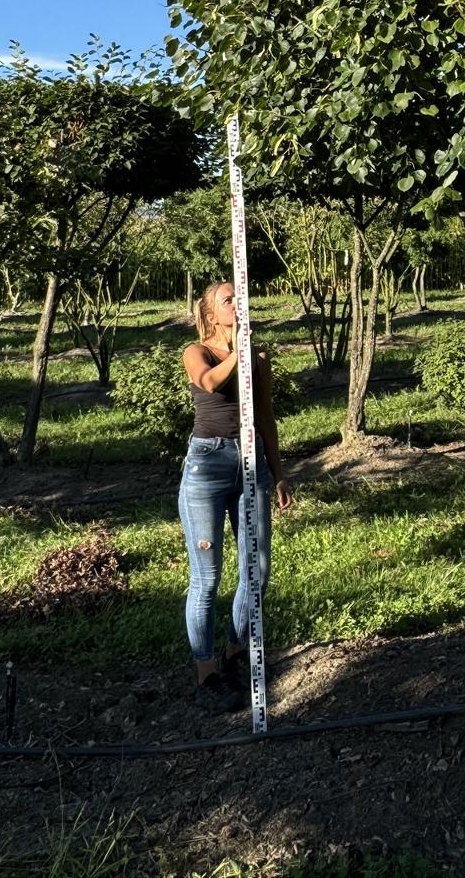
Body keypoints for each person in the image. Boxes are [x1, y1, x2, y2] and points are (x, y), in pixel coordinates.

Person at [179, 279, 293, 713]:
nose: (238, 303)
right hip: (207, 466)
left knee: (257, 570)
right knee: (207, 578)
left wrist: (279, 474)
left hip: (252, 464)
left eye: (240, 297)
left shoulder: (258, 358)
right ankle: (206, 672)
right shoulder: (198, 351)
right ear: (211, 313)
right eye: (229, 300)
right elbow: (207, 383)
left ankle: (235, 649)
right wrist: (238, 353)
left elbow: (264, 415)